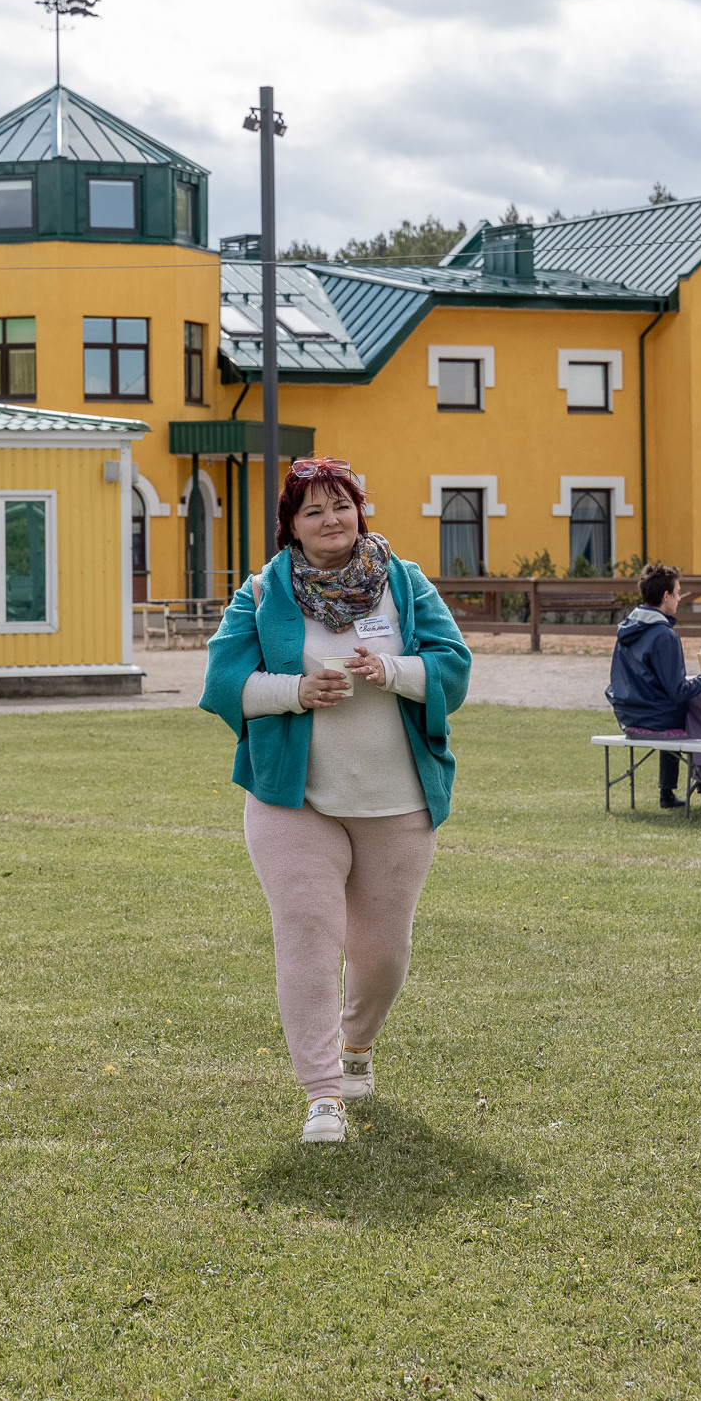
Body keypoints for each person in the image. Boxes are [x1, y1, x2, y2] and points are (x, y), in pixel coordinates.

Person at [200, 458, 471, 1147]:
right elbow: (223, 679)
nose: (331, 521)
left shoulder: (404, 583)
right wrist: (295, 691)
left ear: (361, 510)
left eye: (341, 506)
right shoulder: (262, 591)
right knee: (308, 939)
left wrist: (396, 671)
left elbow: (454, 666)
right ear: (291, 526)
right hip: (294, 799)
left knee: (381, 953)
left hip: (397, 799)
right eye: (313, 511)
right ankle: (323, 1095)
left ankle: (357, 1047)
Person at [606, 561, 701, 809]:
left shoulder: (629, 629)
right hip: (654, 719)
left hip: (627, 715)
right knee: (699, 708)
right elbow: (679, 692)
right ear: (665, 596)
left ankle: (670, 791)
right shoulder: (664, 635)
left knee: (677, 707)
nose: (679, 598)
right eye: (677, 592)